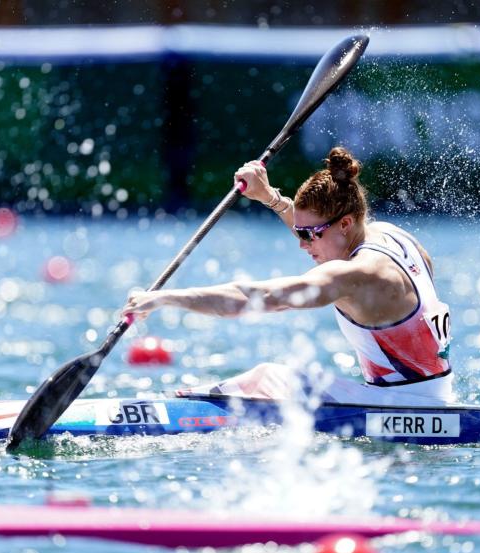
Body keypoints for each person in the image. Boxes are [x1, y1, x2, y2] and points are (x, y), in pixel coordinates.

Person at [123, 147, 454, 406]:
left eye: (310, 234)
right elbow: (327, 244)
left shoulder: (356, 274)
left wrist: (165, 298)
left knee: (266, 379)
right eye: (300, 231)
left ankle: (178, 413)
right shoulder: (392, 236)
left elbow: (259, 299)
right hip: (436, 399)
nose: (301, 243)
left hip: (402, 407)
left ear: (345, 224)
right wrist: (269, 197)